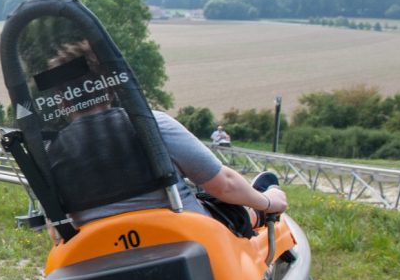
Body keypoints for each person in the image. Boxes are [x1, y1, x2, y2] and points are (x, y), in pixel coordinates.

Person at [42, 42, 286, 230]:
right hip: (180, 242)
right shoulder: (151, 125)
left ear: (61, 101)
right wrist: (269, 202)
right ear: (109, 87)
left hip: (97, 256)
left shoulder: (51, 155)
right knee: (222, 207)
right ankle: (260, 210)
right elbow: (225, 185)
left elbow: (57, 228)